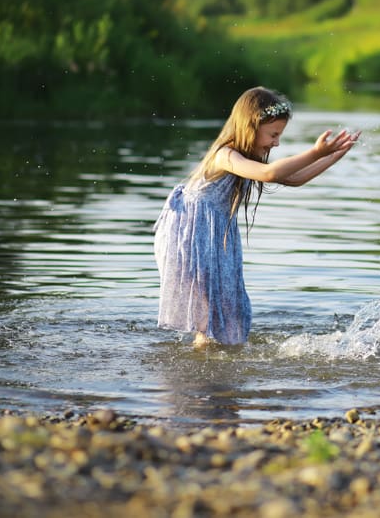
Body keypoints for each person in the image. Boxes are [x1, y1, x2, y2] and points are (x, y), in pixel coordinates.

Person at [154, 86, 360, 348]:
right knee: (208, 311)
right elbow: (271, 174)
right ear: (250, 126)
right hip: (191, 234)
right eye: (273, 135)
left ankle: (215, 359)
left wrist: (332, 157)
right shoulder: (225, 155)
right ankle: (202, 364)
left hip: (214, 234)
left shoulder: (247, 160)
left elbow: (295, 179)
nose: (277, 143)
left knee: (229, 306)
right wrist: (315, 152)